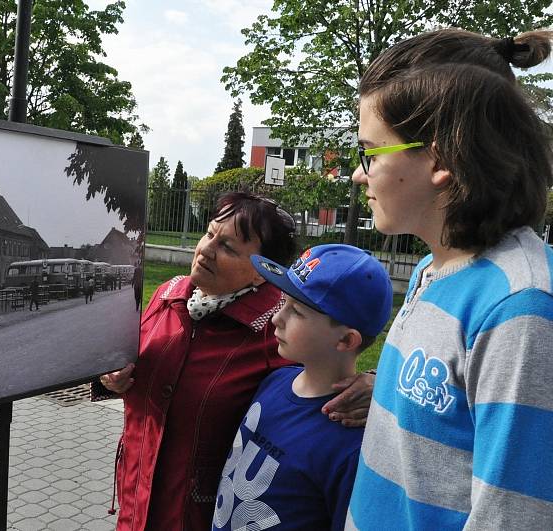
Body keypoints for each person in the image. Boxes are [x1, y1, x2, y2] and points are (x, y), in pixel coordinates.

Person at [345, 29, 553, 530]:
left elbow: (514, 517)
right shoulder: (433, 268)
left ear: (439, 159)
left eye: (370, 153)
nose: (358, 174)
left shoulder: (519, 309)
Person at [96, 192, 375, 530]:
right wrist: (110, 378)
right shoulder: (165, 296)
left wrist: (377, 385)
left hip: (205, 517)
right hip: (135, 508)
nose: (206, 250)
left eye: (228, 247)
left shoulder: (277, 334)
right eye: (210, 233)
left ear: (262, 273)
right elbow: (120, 367)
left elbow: (326, 383)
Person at [212, 245, 393, 531]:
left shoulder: (351, 445)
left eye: (296, 311)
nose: (277, 318)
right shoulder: (274, 382)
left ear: (346, 340)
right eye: (282, 302)